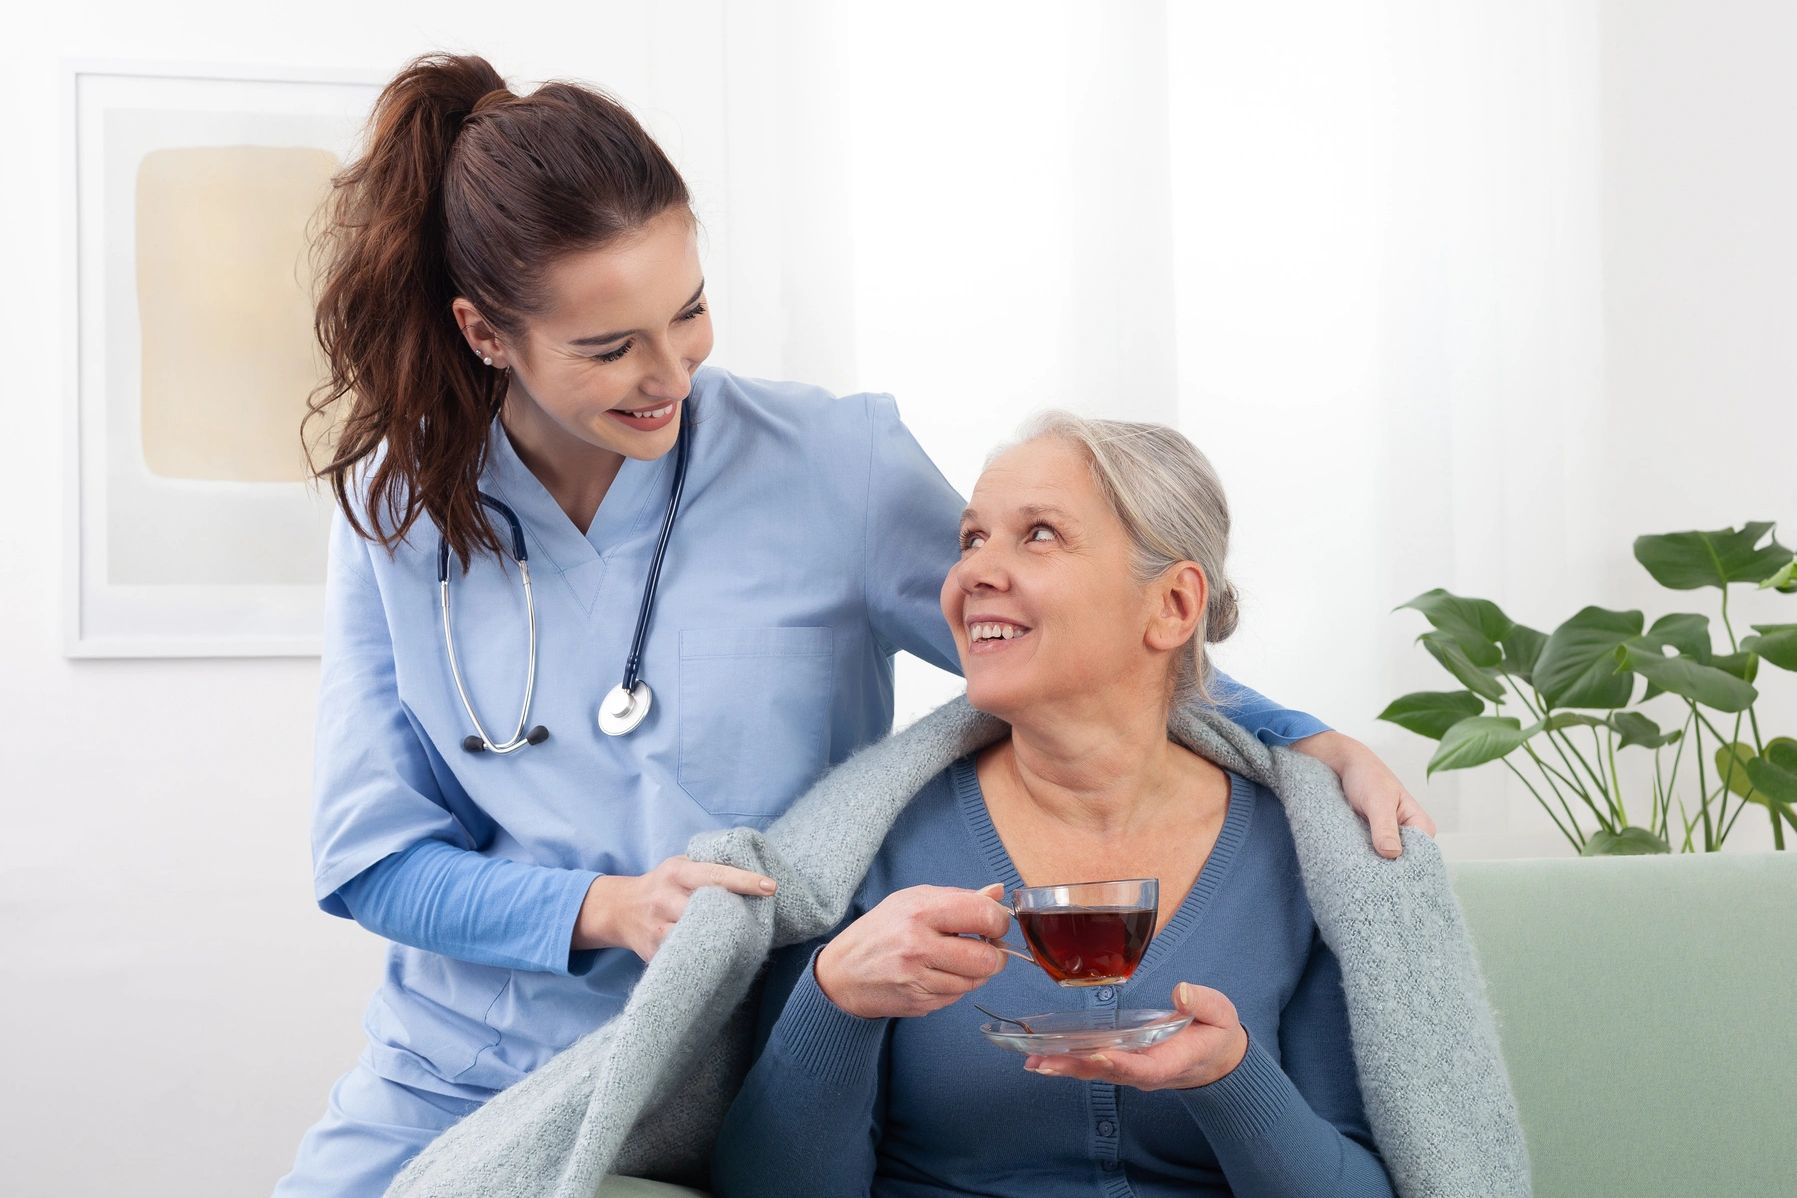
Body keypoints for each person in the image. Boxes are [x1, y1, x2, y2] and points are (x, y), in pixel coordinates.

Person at [274, 53, 1433, 1198]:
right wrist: (608, 909)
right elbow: (371, 857)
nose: (670, 372)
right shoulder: (396, 508)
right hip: (464, 1063)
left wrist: (1298, 739)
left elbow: (1071, 640)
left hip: (720, 1062)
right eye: (609, 346)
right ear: (487, 335)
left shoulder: (834, 466)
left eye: (689, 312)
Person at [713, 416, 1411, 1196]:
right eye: (971, 539)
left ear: (1173, 606)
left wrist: (1230, 1075)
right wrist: (832, 999)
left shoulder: (1300, 853)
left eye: (1038, 534)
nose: (973, 571)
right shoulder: (867, 847)